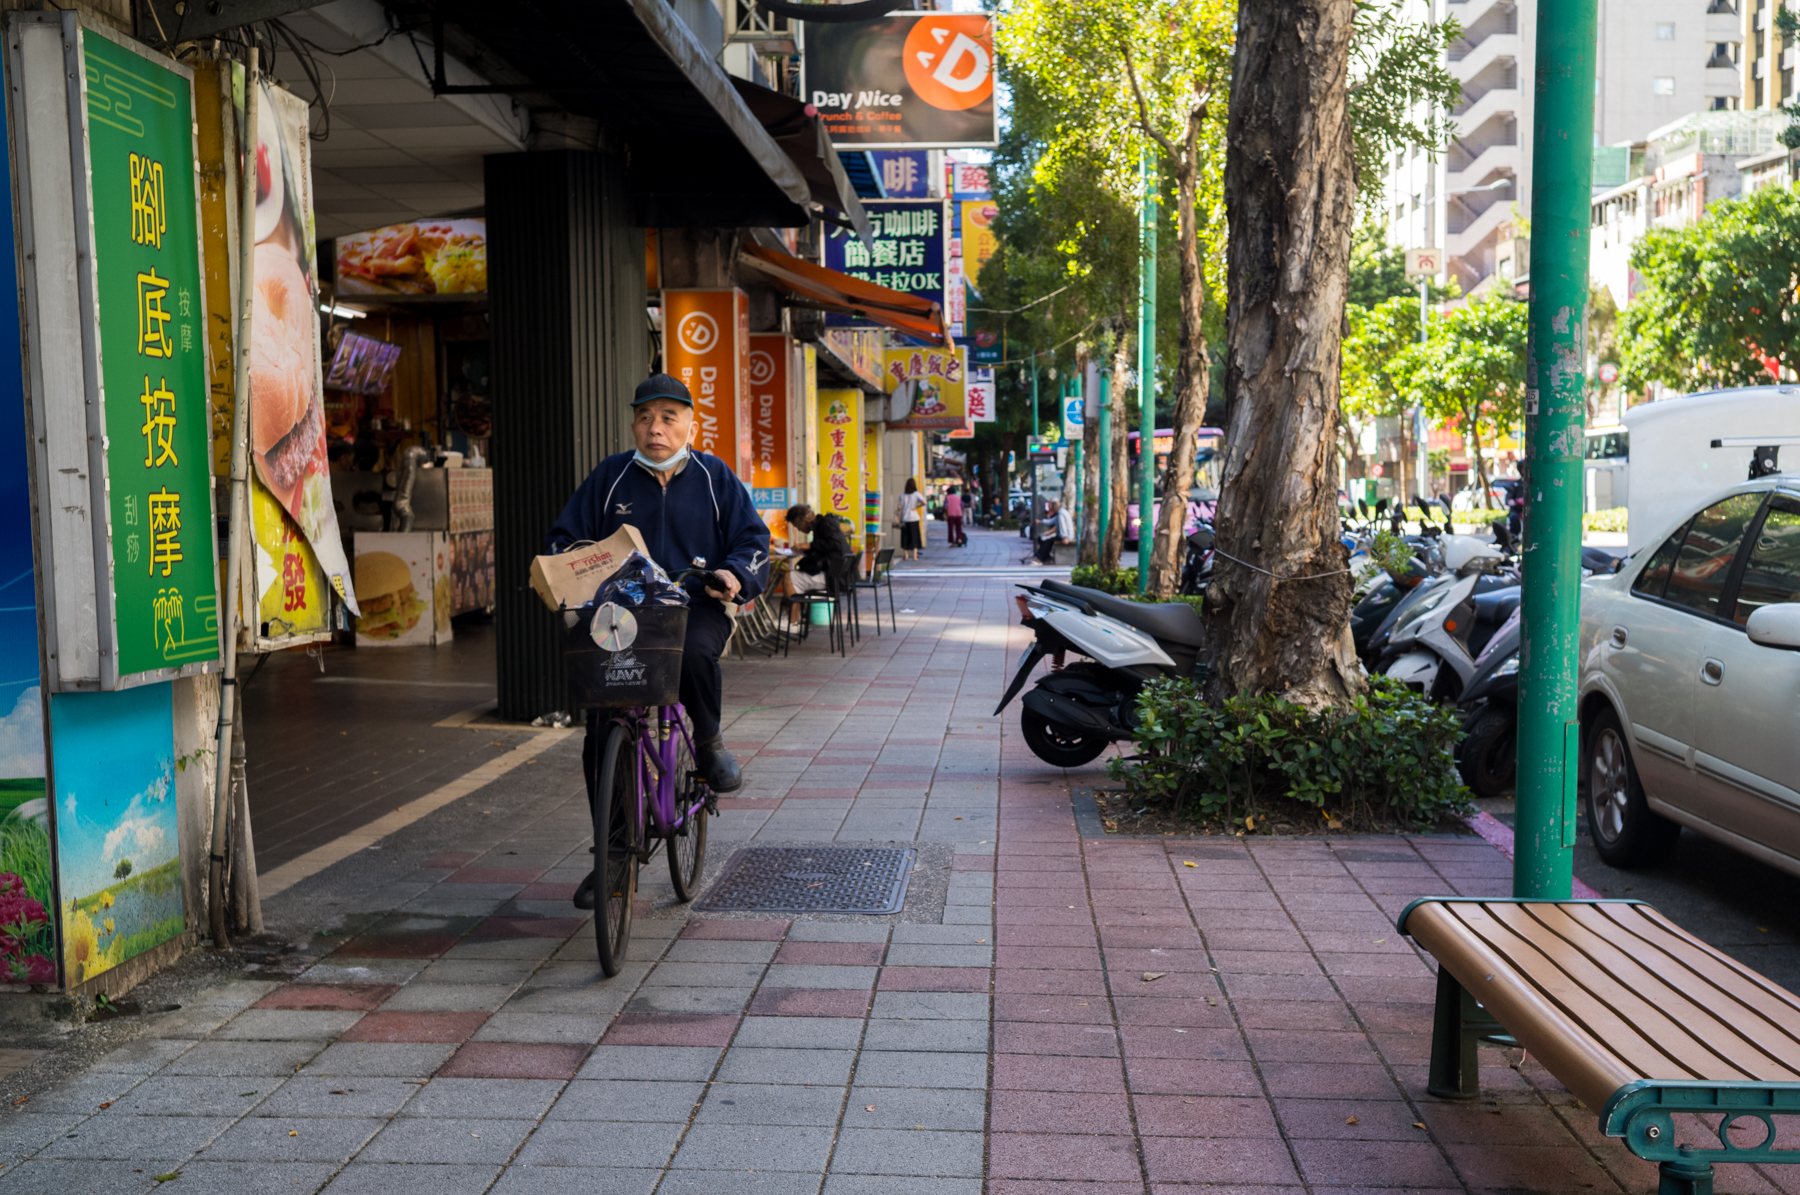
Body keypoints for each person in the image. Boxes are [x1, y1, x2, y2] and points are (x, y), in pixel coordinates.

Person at [548, 373, 771, 817]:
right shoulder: (610, 476)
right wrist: (570, 571)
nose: (656, 428)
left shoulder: (715, 476)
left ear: (692, 426)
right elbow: (565, 540)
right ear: (633, 425)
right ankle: (614, 846)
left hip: (696, 605)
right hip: (620, 612)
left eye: (669, 418)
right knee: (601, 720)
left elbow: (752, 541)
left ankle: (708, 741)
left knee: (693, 653)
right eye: (645, 417)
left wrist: (733, 574)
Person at [784, 503, 849, 595]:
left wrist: (810, 545)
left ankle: (793, 604)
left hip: (834, 577)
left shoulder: (825, 524)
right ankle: (795, 603)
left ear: (805, 520)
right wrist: (807, 549)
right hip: (837, 574)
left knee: (788, 577)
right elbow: (825, 548)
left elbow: (835, 544)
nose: (798, 529)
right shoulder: (823, 524)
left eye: (797, 526)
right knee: (795, 576)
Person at [896, 477, 926, 561]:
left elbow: (899, 507)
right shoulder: (916, 494)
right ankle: (915, 556)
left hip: (904, 519)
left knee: (905, 537)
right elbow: (924, 502)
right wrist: (916, 506)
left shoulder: (902, 495)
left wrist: (901, 508)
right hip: (914, 518)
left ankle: (906, 555)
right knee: (914, 536)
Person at [1032, 499, 1063, 565]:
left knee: (1047, 540)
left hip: (1062, 535)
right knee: (1041, 539)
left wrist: (1049, 532)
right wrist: (1041, 521)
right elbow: (1052, 521)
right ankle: (1045, 557)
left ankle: (1040, 559)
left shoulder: (1061, 514)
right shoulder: (1060, 513)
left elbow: (1060, 526)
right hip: (1060, 534)